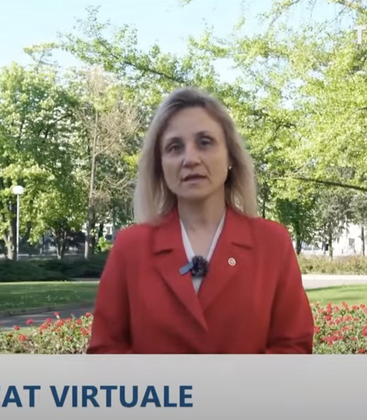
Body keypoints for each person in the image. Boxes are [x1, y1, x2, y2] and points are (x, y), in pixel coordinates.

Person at [87, 86, 314, 354]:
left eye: (205, 142)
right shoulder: (131, 247)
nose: (190, 159)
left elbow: (293, 347)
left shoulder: (272, 243)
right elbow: (106, 350)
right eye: (175, 147)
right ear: (160, 165)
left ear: (230, 156)